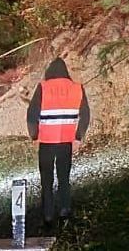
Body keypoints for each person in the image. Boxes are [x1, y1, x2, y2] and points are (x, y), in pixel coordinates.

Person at [26, 57, 90, 226]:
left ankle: (48, 215)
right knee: (64, 177)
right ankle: (64, 209)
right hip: (66, 142)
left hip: (46, 142)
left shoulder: (43, 87)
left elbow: (32, 114)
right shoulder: (77, 88)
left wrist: (34, 136)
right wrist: (78, 137)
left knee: (46, 179)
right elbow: (86, 115)